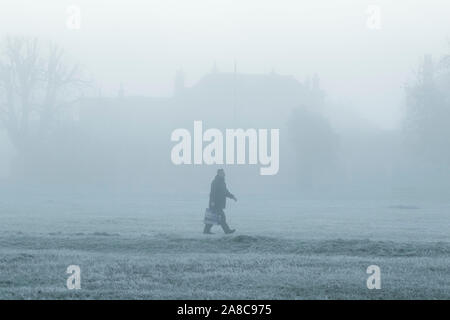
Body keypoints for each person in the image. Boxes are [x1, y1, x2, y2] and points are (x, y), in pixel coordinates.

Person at [204, 169, 237, 234]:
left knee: (213, 217)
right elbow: (213, 192)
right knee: (221, 217)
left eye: (223, 173)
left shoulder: (222, 182)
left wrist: (232, 197)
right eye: (222, 173)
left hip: (219, 203)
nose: (224, 174)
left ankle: (206, 231)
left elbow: (225, 192)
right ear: (218, 174)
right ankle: (227, 231)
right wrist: (212, 202)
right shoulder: (215, 182)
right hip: (215, 203)